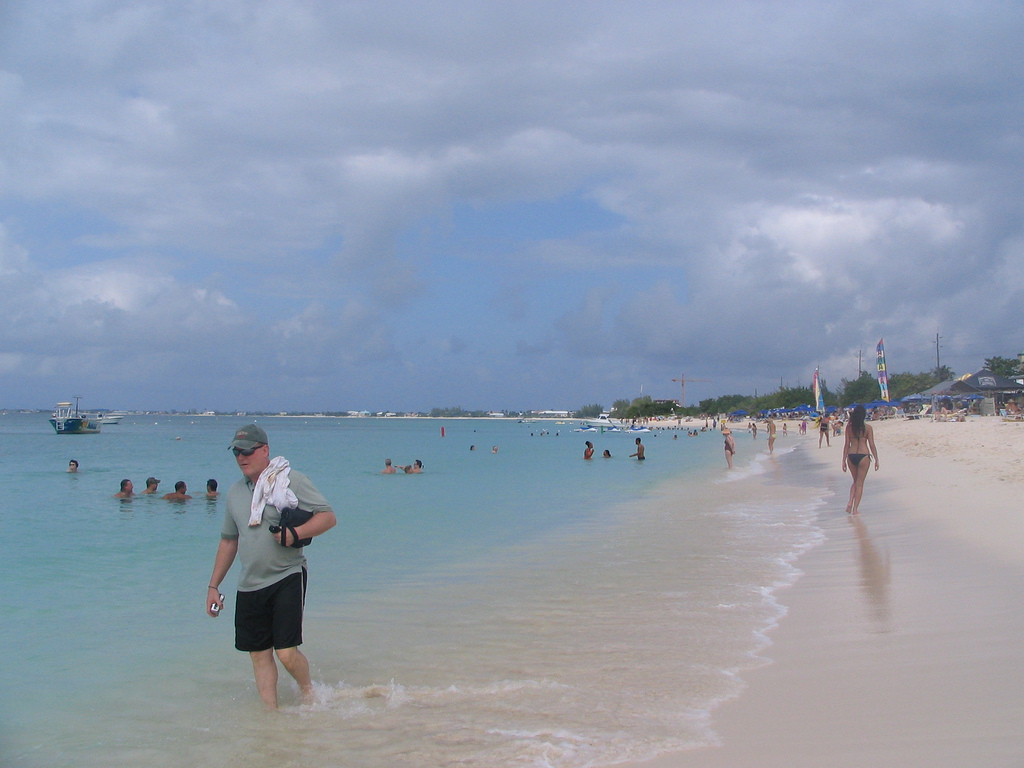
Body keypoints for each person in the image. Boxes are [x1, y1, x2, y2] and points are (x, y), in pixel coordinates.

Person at [206, 424, 337, 709]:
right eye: (237, 452)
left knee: (287, 652)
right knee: (258, 654)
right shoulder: (234, 494)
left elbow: (327, 517)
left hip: (286, 575)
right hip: (249, 584)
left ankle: (308, 693)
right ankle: (271, 716)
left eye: (248, 451)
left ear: (265, 450)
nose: (241, 457)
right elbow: (229, 542)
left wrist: (295, 534)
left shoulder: (292, 481)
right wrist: (213, 586)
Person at [842, 404, 879, 515]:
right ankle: (855, 509)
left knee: (855, 481)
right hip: (863, 456)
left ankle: (849, 502)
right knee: (860, 483)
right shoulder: (868, 428)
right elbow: (872, 445)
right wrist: (876, 459)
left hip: (851, 455)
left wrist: (843, 460)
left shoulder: (849, 428)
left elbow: (846, 444)